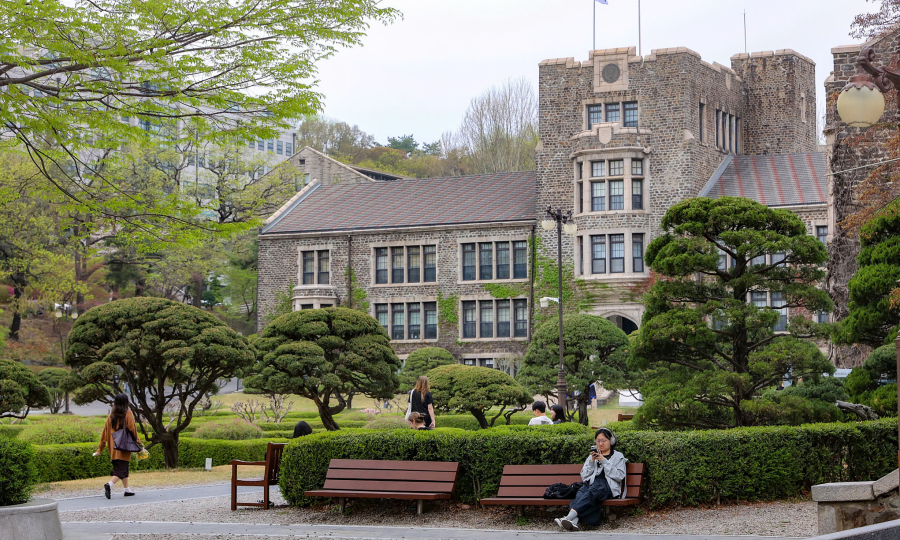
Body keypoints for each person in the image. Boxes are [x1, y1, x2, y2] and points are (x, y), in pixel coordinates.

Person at [554, 428, 627, 531]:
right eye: (598, 441)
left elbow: (619, 476)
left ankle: (567, 518)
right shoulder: (591, 456)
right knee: (579, 495)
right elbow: (584, 476)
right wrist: (592, 462)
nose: (600, 443)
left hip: (607, 486)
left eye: (604, 440)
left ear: (611, 441)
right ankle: (573, 522)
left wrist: (604, 461)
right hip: (591, 484)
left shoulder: (618, 456)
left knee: (592, 492)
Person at [93, 393, 143, 499]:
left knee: (122, 468)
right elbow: (133, 429)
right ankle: (109, 485)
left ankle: (127, 490)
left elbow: (104, 433)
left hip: (113, 448)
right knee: (121, 469)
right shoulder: (128, 413)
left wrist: (100, 448)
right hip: (124, 447)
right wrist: (138, 442)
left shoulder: (111, 416)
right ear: (126, 402)